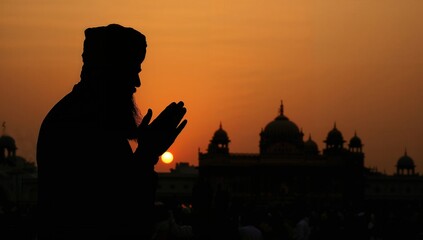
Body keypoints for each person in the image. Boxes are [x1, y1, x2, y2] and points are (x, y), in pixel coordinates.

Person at [36, 24, 187, 239]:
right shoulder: (79, 125)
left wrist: (148, 153)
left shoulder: (90, 119)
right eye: (132, 72)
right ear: (109, 72)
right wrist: (146, 154)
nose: (137, 83)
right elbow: (117, 214)